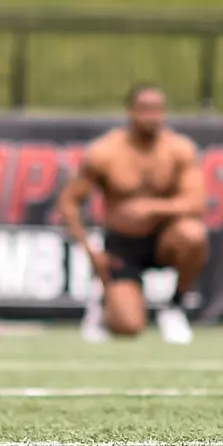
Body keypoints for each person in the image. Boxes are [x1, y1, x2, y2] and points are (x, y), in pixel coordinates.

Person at [56, 83, 209, 345]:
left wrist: (151, 207)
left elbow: (196, 203)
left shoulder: (179, 149)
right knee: (127, 327)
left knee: (193, 234)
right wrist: (90, 251)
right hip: (123, 244)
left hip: (164, 240)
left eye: (158, 109)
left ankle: (175, 307)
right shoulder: (105, 152)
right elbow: (69, 202)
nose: (153, 116)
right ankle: (104, 302)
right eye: (145, 110)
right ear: (130, 112)